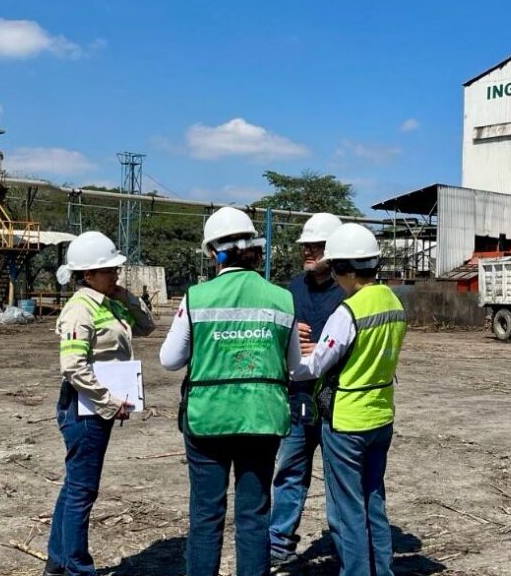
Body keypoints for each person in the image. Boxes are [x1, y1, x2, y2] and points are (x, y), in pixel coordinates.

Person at [159, 206, 302, 576]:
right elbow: (294, 365)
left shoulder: (197, 297)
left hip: (208, 419)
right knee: (254, 516)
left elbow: (170, 359)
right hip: (262, 418)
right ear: (255, 248)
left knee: (207, 516)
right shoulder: (282, 298)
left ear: (213, 252)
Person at [290, 223, 407, 576]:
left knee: (346, 508)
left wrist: (286, 354)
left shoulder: (349, 311)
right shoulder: (393, 301)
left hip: (347, 421)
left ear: (345, 269)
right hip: (381, 416)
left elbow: (314, 365)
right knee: (374, 499)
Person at [44, 231, 155, 576]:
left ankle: (58, 562)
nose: (115, 275)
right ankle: (78, 568)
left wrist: (127, 296)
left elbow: (147, 327)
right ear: (87, 274)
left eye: (115, 269)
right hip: (85, 407)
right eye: (108, 271)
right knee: (82, 491)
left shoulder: (108, 303)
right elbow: (72, 366)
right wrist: (109, 402)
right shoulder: (80, 310)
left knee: (75, 486)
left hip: (95, 406)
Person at [269, 212, 346, 566]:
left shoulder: (347, 291)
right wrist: (288, 335)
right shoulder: (292, 289)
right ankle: (279, 545)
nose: (307, 252)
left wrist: (323, 350)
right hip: (299, 397)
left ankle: (344, 547)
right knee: (290, 471)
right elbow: (275, 338)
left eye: (315, 246)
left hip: (334, 400)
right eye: (305, 246)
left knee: (337, 478)